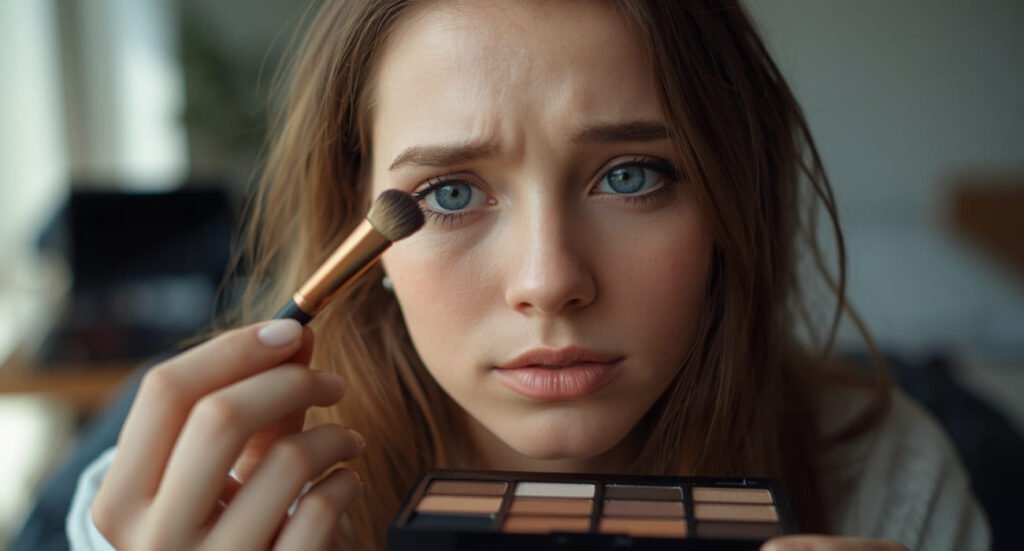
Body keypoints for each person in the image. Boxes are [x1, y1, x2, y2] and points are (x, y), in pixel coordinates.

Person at [69, 1, 990, 549]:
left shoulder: (885, 477)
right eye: (449, 193)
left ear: (727, 205)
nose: (549, 281)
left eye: (633, 176)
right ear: (365, 238)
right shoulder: (172, 504)